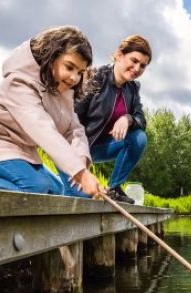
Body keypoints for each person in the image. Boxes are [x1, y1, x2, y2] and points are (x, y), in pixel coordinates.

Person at [0, 26, 105, 198]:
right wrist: (80, 173)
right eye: (69, 67)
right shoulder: (19, 83)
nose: (74, 78)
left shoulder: (62, 90)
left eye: (80, 72)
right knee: (35, 189)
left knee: (55, 190)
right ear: (52, 57)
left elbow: (73, 128)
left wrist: (80, 158)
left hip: (14, 145)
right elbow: (42, 129)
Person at [61, 35, 152, 204]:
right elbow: (71, 120)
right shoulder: (94, 77)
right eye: (134, 60)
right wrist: (78, 160)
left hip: (101, 148)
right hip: (73, 147)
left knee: (139, 138)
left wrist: (127, 118)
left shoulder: (132, 89)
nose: (137, 68)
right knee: (80, 198)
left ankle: (114, 188)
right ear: (119, 55)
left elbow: (141, 120)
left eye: (142, 66)